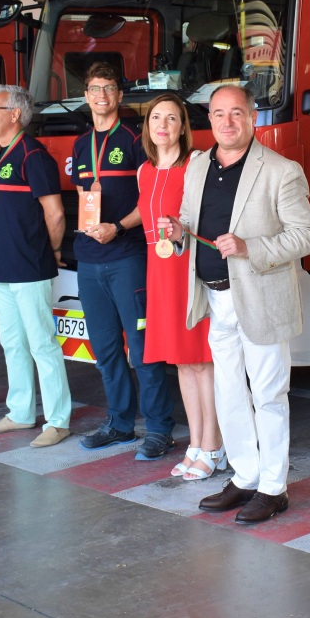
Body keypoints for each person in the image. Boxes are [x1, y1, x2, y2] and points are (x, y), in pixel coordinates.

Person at [158, 85, 310, 524]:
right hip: (215, 298)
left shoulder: (280, 170)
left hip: (261, 299)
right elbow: (193, 222)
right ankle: (245, 475)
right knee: (229, 391)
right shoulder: (197, 168)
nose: (227, 123)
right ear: (208, 120)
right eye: (218, 115)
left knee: (268, 394)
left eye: (236, 114)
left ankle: (273, 487)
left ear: (252, 117)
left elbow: (308, 236)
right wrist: (177, 230)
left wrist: (252, 247)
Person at [68, 62, 177, 461]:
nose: (101, 95)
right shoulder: (80, 145)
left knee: (143, 348)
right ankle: (118, 423)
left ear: (119, 95)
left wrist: (118, 226)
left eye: (109, 88)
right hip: (90, 258)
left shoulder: (134, 139)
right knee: (106, 349)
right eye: (94, 88)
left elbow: (148, 200)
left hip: (127, 256)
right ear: (87, 96)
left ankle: (160, 429)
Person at [0, 85, 74, 448]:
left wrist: (50, 249)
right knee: (12, 343)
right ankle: (19, 412)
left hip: (29, 266)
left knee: (42, 344)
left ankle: (58, 419)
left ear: (14, 114)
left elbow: (55, 212)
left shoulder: (34, 156)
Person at [137, 93, 223, 479]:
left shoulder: (197, 165)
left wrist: (182, 230)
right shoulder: (144, 171)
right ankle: (195, 443)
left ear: (183, 127)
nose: (163, 125)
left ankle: (214, 446)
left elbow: (209, 220)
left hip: (189, 272)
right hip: (160, 273)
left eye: (172, 118)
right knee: (183, 365)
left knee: (204, 363)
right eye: (157, 117)